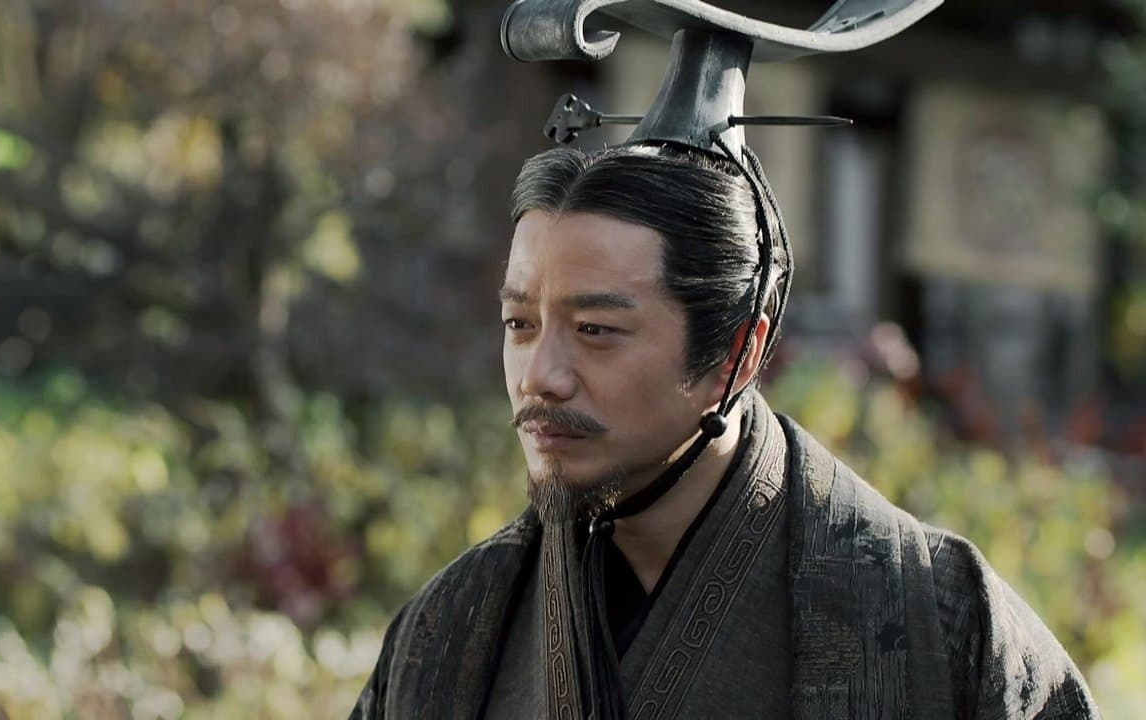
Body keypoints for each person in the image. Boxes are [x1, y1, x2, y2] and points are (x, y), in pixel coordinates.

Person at [352, 3, 1100, 718]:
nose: (539, 376)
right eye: (520, 323)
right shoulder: (449, 633)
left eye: (596, 330)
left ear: (736, 353)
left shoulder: (940, 622)